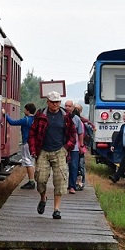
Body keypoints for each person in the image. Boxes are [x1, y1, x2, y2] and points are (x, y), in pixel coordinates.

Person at [28, 91, 77, 219]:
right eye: (52, 102)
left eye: (57, 102)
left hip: (60, 151)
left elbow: (73, 134)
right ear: (48, 102)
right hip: (43, 150)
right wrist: (33, 150)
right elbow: (32, 133)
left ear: (60, 103)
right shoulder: (40, 115)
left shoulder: (66, 116)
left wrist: (67, 148)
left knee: (60, 180)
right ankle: (43, 198)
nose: (55, 104)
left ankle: (56, 209)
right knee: (40, 179)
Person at [4, 103, 37, 189]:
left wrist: (5, 114)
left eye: (25, 109)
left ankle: (31, 181)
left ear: (28, 110)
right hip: (33, 143)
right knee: (31, 161)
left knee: (28, 162)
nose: (24, 111)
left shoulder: (25, 120)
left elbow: (12, 122)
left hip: (27, 142)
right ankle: (32, 180)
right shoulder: (35, 119)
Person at [64, 99, 84, 194]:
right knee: (61, 166)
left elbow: (80, 133)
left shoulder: (76, 119)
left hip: (74, 147)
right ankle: (62, 185)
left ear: (72, 108)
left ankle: (72, 186)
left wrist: (81, 144)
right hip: (62, 146)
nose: (67, 108)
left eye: (69, 106)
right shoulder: (61, 117)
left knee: (73, 166)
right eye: (66, 106)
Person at [74, 102, 92, 190]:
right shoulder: (74, 119)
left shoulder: (81, 122)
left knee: (80, 165)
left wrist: (81, 145)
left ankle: (81, 183)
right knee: (74, 165)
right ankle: (75, 182)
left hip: (80, 147)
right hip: (74, 147)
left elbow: (83, 134)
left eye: (77, 109)